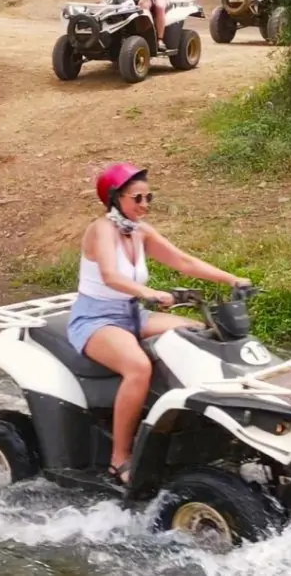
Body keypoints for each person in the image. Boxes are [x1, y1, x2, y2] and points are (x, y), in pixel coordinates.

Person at [66, 162, 251, 485]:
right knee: (138, 366)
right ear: (115, 197)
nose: (145, 205)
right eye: (137, 198)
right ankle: (119, 458)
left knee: (198, 333)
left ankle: (193, 427)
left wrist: (232, 278)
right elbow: (110, 275)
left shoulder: (140, 232)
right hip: (96, 318)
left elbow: (184, 261)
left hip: (132, 315)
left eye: (149, 197)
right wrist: (147, 292)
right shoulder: (101, 230)